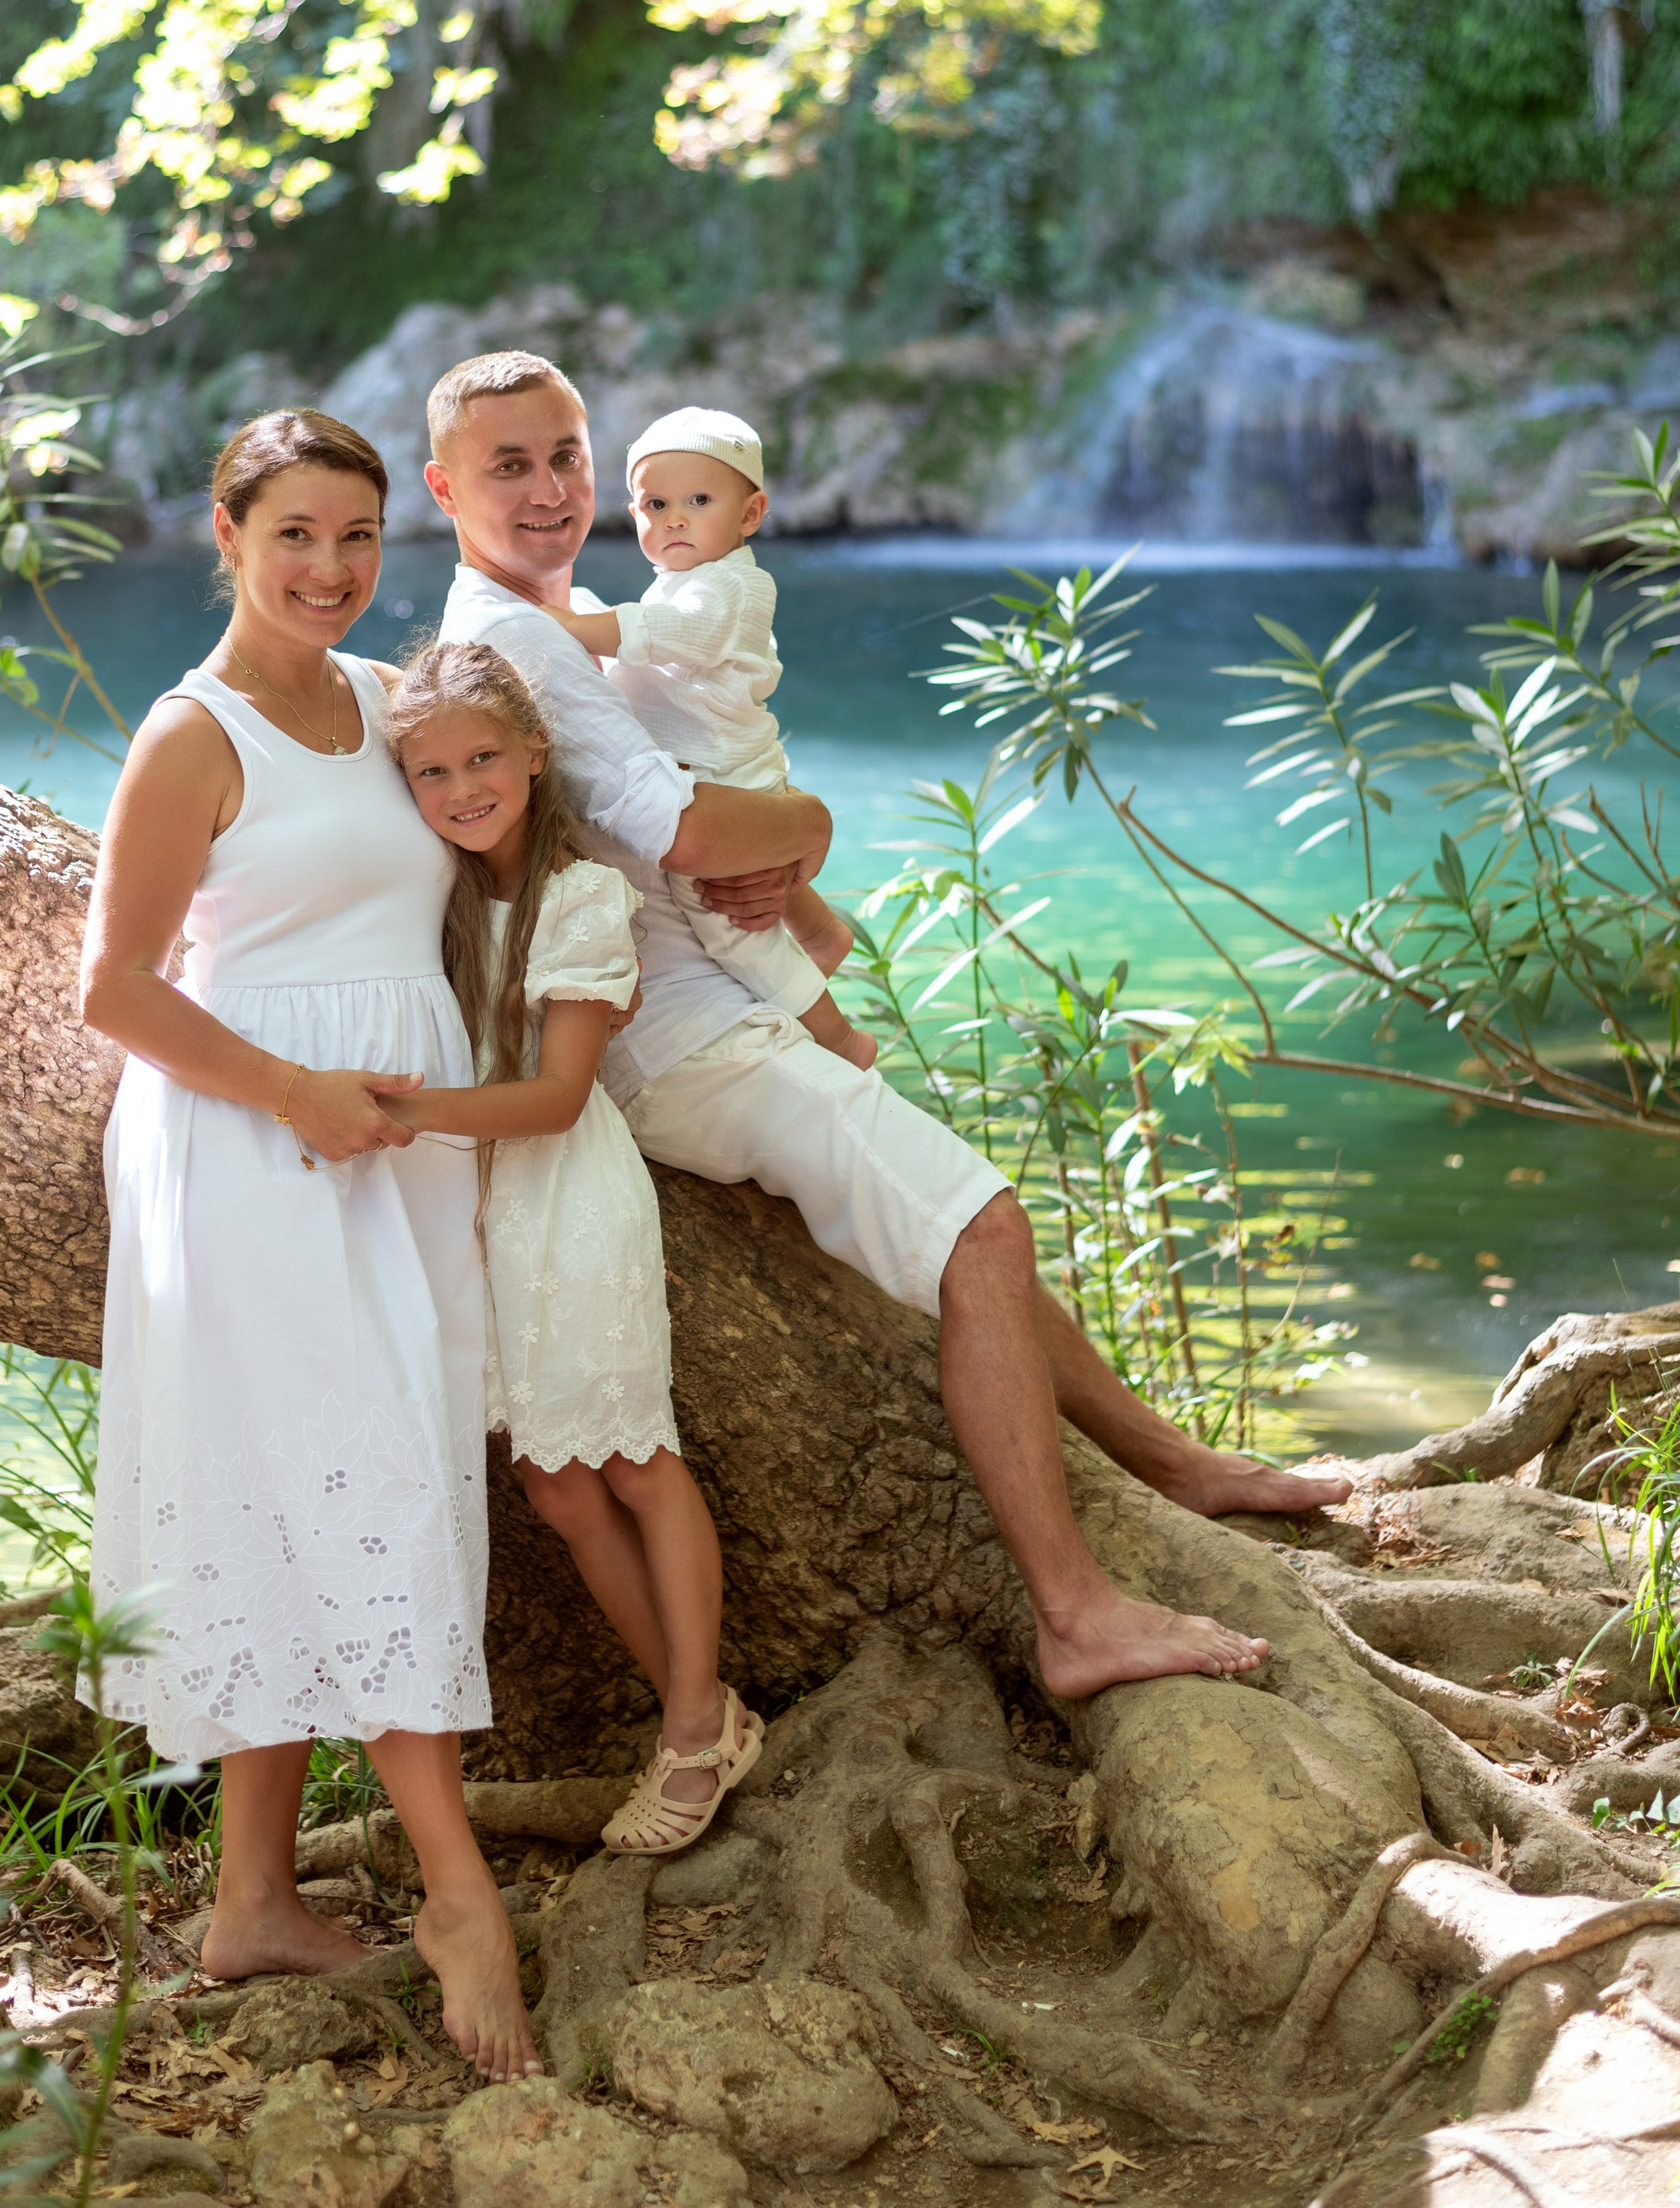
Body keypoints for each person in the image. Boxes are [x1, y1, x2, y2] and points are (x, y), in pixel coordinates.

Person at [424, 350, 1354, 1702]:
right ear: (447, 487)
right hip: (669, 1038)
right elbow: (686, 829)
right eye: (511, 465)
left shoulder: (573, 623)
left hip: (702, 996)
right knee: (983, 1226)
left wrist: (775, 865)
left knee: (955, 1207)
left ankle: (1173, 1464)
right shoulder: (519, 645)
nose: (553, 487)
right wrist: (808, 828)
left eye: (568, 455)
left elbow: (686, 824)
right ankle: (1077, 1617)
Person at [79, 407, 538, 2082]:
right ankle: (456, 1892)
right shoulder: (189, 736)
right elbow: (114, 989)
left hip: (398, 1147)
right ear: (227, 532)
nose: (332, 571)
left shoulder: (379, 706)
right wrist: (295, 1095)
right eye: (296, 536)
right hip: (258, 1147)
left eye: (357, 538)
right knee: (361, 1483)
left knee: (344, 1479)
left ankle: (251, 1901)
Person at [380, 636, 763, 1857]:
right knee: (555, 1483)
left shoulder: (583, 897)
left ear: (534, 756)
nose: (460, 790)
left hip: (566, 1194)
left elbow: (551, 1098)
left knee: (637, 1459)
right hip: (473, 1211)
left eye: (482, 758)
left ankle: (696, 1726)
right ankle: (702, 1716)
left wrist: (407, 1112)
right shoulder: (429, 896)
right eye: (431, 772)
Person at [542, 403, 876, 1071]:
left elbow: (679, 635)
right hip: (729, 765)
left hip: (729, 774)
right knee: (756, 883)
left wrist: (581, 629)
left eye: (698, 500)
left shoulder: (732, 587)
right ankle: (820, 931)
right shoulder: (683, 580)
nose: (673, 518)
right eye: (654, 503)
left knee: (732, 930)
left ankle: (842, 1039)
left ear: (751, 514)